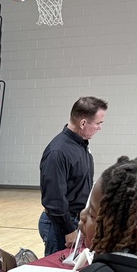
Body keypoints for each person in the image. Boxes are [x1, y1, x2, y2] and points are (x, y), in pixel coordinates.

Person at [39, 96, 108, 256]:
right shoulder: (58, 151)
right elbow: (54, 198)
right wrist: (68, 229)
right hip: (61, 224)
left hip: (76, 220)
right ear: (83, 123)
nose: (100, 128)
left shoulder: (81, 146)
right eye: (98, 123)